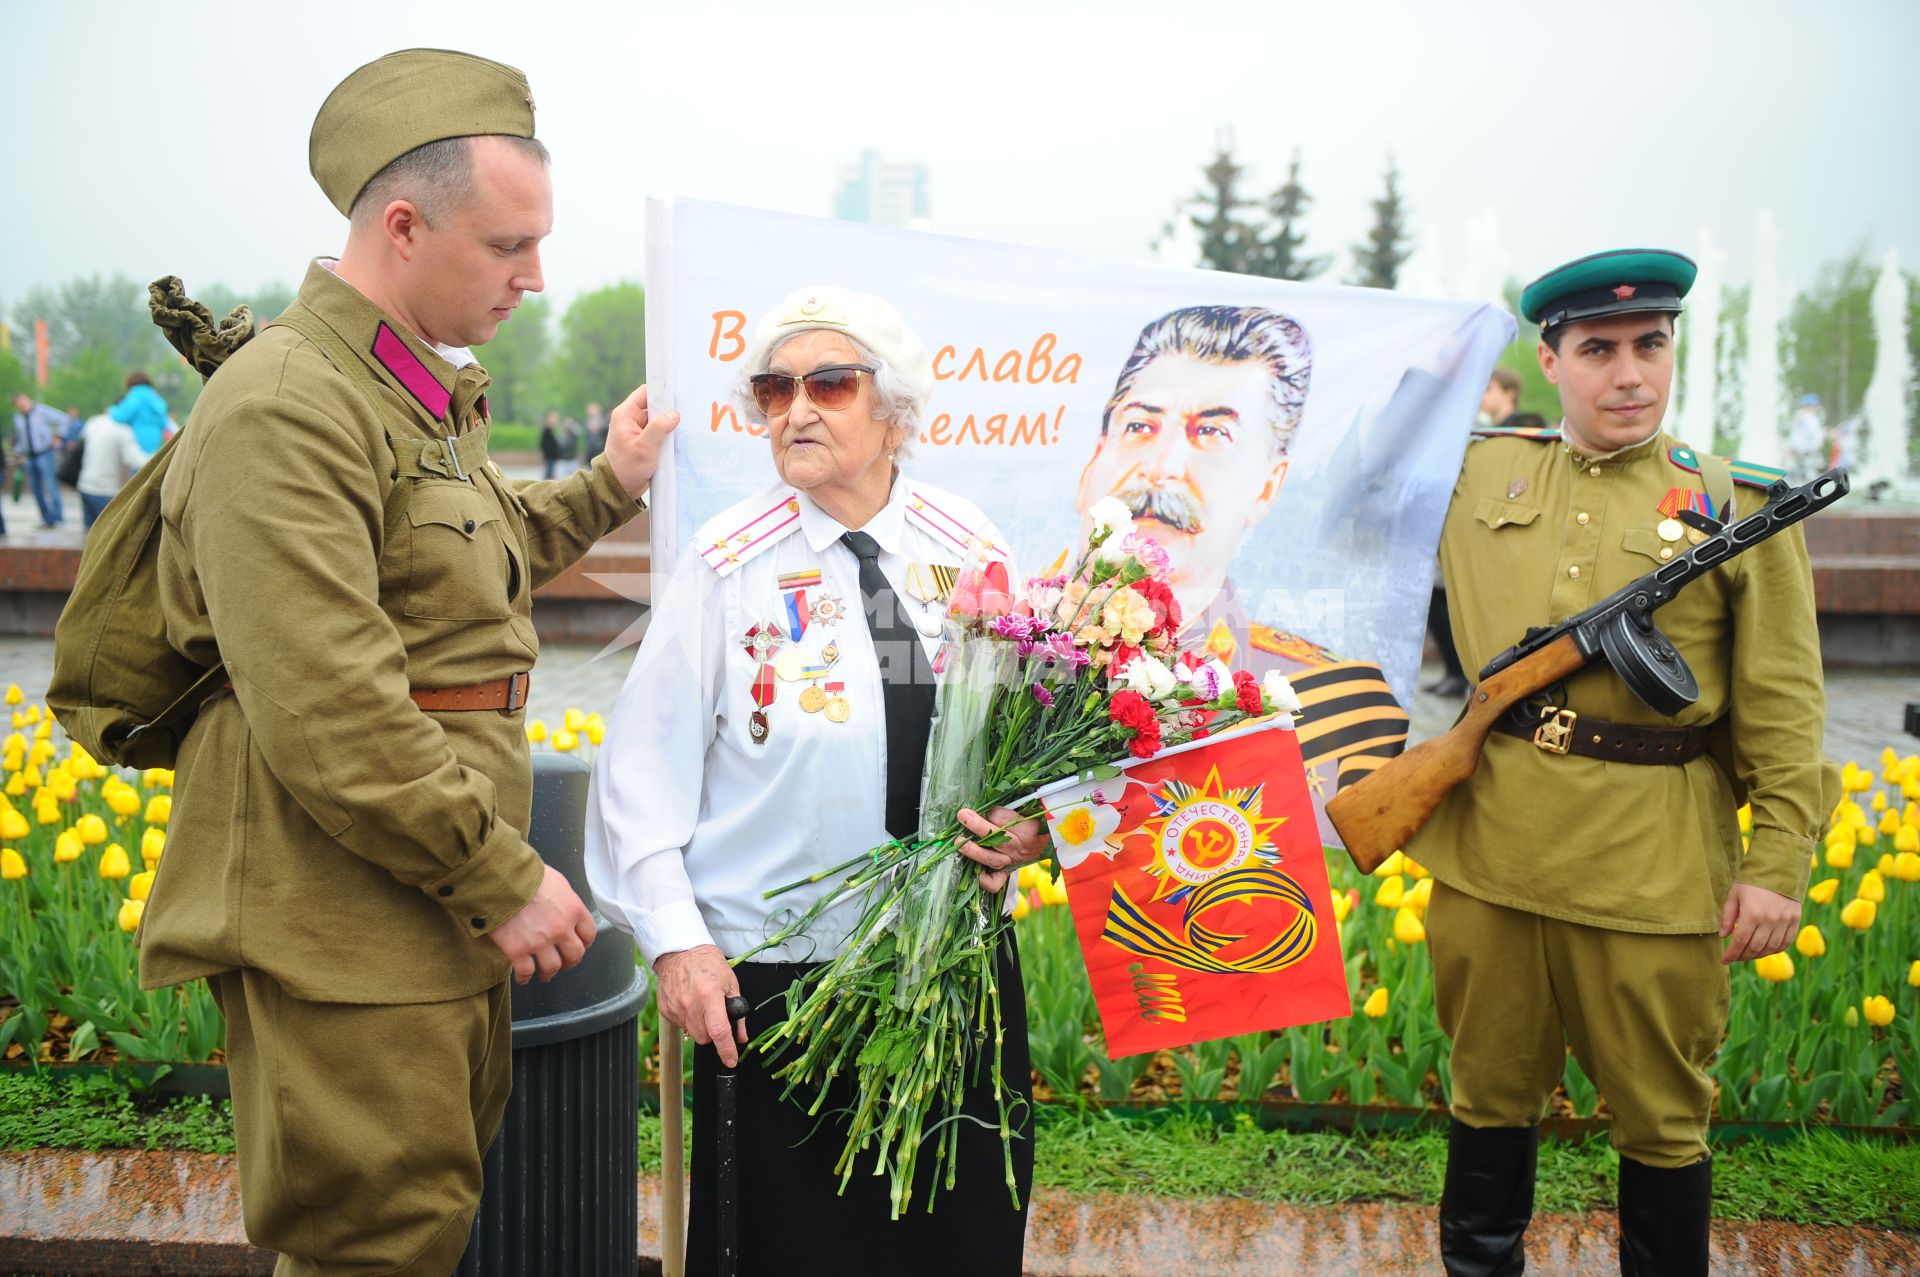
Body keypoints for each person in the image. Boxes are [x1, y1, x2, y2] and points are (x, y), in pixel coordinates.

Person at [138, 48, 679, 1274]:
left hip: (411, 895)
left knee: (420, 1216)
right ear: (402, 224)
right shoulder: (289, 402)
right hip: (343, 906)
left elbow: (468, 571)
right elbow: (328, 700)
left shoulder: (404, 395)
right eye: (507, 247)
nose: (535, 279)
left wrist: (611, 484)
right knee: (370, 1239)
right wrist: (500, 872)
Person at [586, 286, 1044, 1276]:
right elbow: (638, 783)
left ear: (896, 412)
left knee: (958, 1249)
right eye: (773, 387)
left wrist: (1030, 825)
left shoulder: (972, 550)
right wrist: (677, 944)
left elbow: (1026, 749)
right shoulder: (725, 567)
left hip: (953, 977)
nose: (796, 408)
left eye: (830, 382)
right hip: (779, 996)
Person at [1407, 248, 1829, 1277]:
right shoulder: (1472, 476)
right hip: (1492, 856)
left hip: (1651, 867)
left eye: (1652, 345)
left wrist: (1777, 860)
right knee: (1486, 1100)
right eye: (1598, 350)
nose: (1631, 373)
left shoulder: (1735, 504)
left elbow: (1784, 701)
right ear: (1551, 359)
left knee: (1662, 1122)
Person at [1073, 305, 1408, 835]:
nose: (1162, 467)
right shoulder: (996, 659)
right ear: (1094, 461)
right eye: (1139, 425)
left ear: (1267, 488)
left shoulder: (1332, 708)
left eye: (1212, 433)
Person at [1428, 368, 1524, 696]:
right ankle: (1458, 672)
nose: (1484, 396)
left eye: (1491, 389)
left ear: (1509, 391)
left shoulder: (1527, 424)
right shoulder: (1488, 432)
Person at [74, 411, 148, 530]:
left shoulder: (94, 422)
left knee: (90, 535)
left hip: (85, 485)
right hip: (107, 490)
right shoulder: (123, 430)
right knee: (106, 538)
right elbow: (135, 460)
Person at [11, 394, 70, 528]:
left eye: (23, 401)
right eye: (18, 404)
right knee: (36, 489)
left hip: (45, 453)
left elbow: (64, 419)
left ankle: (57, 517)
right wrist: (18, 454)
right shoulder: (18, 418)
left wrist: (58, 436)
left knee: (51, 485)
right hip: (29, 456)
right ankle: (46, 518)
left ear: (28, 399)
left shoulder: (41, 411)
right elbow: (21, 438)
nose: (22, 405)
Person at [110, 370, 169, 454]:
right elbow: (163, 423)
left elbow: (121, 416)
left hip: (138, 444)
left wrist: (111, 410)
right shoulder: (157, 399)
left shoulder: (136, 396)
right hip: (155, 444)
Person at [583, 400, 608, 465]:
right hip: (591, 452)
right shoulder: (587, 421)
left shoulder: (603, 421)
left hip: (600, 450)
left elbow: (605, 431)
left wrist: (599, 427)